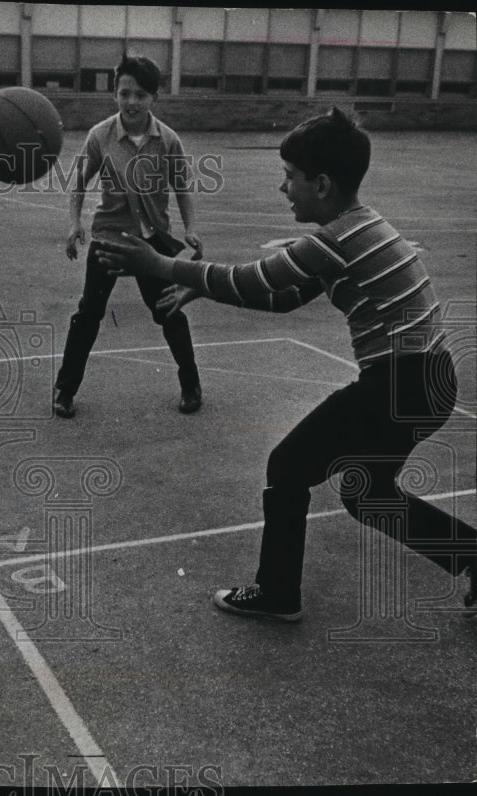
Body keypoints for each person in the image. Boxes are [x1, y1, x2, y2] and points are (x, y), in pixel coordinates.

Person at [96, 106, 476, 622]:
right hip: (430, 379)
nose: (283, 189)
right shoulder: (362, 228)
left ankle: (277, 594)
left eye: (289, 178)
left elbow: (254, 278)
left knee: (288, 466)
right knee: (367, 494)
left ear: (321, 185)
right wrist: (202, 291)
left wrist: (159, 265)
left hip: (399, 383)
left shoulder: (334, 240)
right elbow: (284, 298)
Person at [53, 54, 204, 420]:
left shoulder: (167, 140)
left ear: (154, 97)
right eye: (124, 93)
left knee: (168, 310)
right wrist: (74, 224)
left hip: (152, 242)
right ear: (114, 95)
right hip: (110, 238)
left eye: (140, 95)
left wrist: (191, 228)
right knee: (89, 313)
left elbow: (182, 187)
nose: (131, 102)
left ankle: (191, 384)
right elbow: (78, 185)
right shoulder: (99, 136)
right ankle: (64, 390)